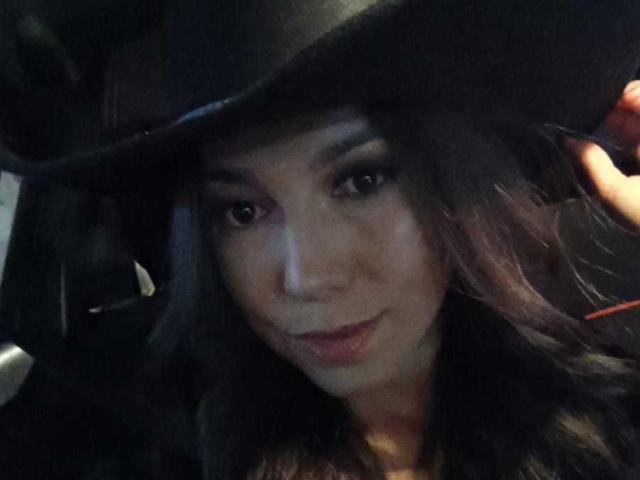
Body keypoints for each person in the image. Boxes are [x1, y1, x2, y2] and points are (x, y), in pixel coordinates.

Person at [1, 1, 640, 479]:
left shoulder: (597, 409)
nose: (305, 277)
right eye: (242, 211)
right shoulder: (138, 448)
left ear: (457, 180)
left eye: (362, 180)